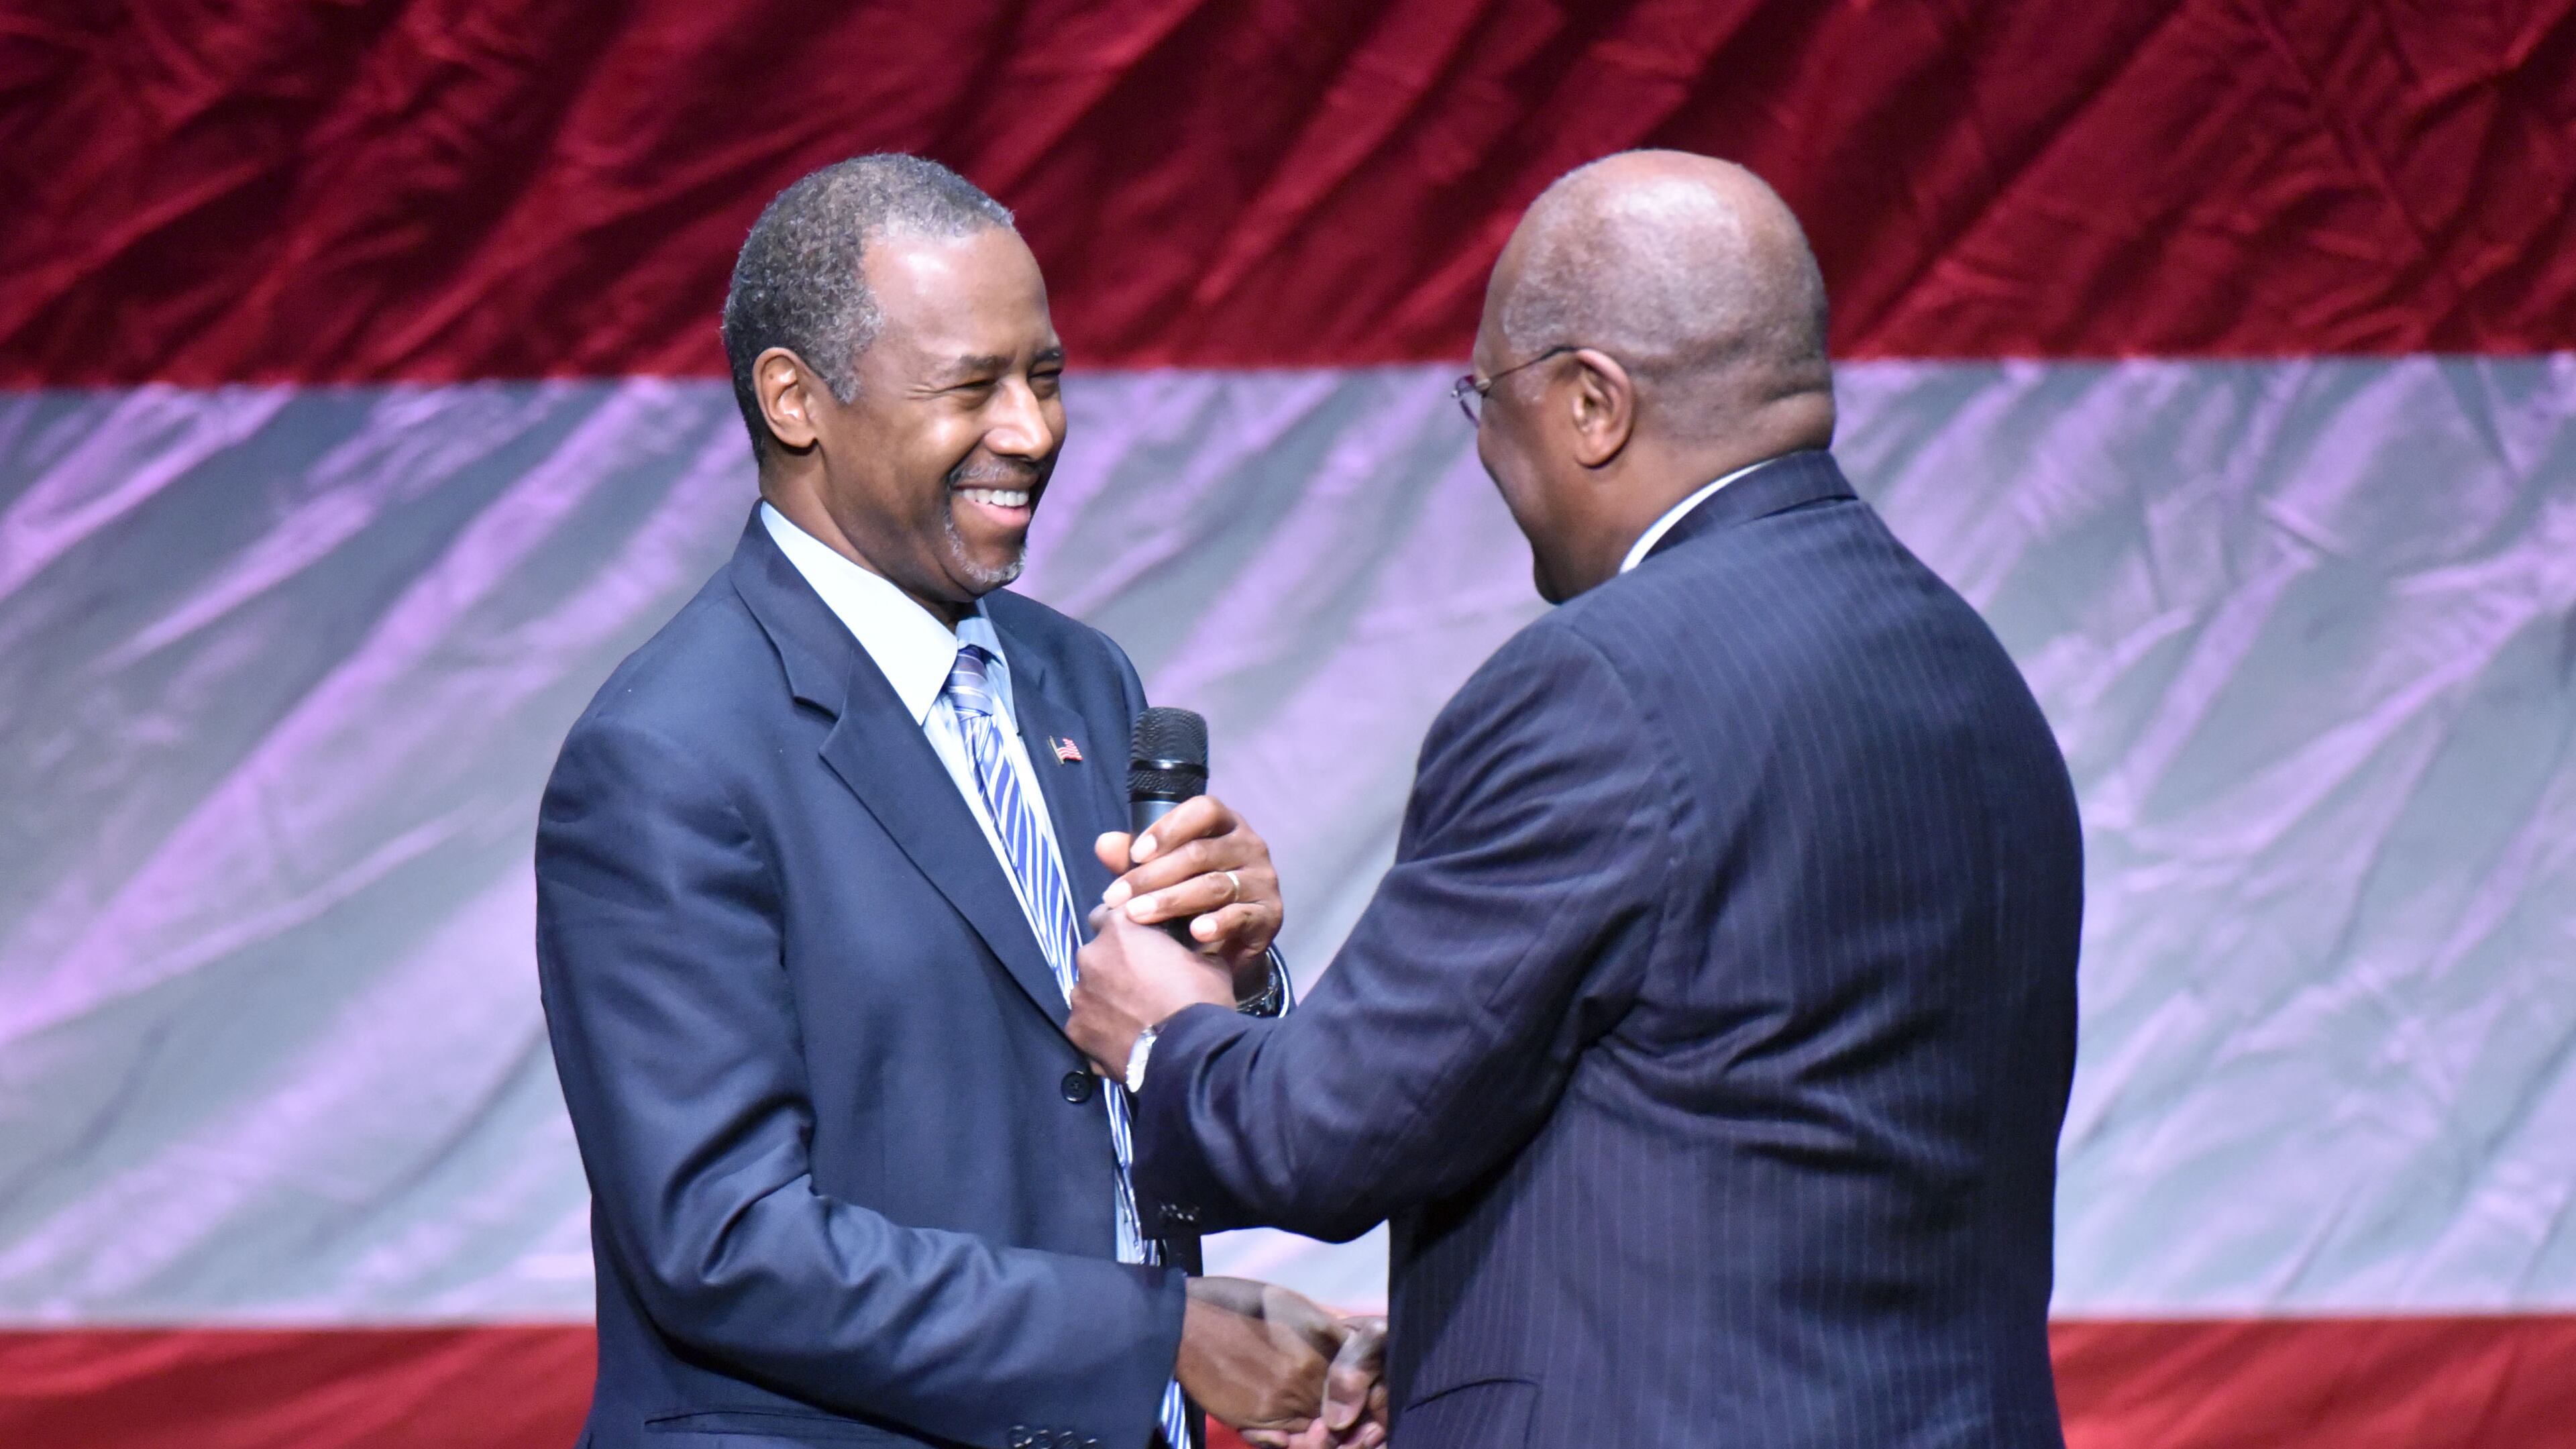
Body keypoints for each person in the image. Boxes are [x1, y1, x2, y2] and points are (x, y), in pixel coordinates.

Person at [1068, 151, 2084, 1449]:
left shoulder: (1600, 688)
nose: (1486, 444)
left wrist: (1166, 1030)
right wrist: (1462, 1356)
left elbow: (1321, 1141)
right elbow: (1747, 1135)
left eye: (1485, 397)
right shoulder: (1974, 676)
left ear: (1593, 404)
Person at [536, 154, 1382, 1449]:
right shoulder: (668, 757)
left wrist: (1237, 984)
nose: (1032, 431)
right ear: (795, 400)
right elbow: (721, 1244)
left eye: (1043, 375)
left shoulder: (1078, 676)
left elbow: (1097, 1107)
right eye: (970, 386)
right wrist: (1158, 1335)